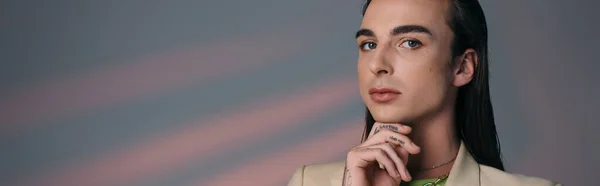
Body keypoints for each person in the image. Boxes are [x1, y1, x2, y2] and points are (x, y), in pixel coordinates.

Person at [287, 0, 561, 185]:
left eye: (409, 42)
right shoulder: (308, 182)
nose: (378, 65)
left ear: (462, 67)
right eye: (369, 44)